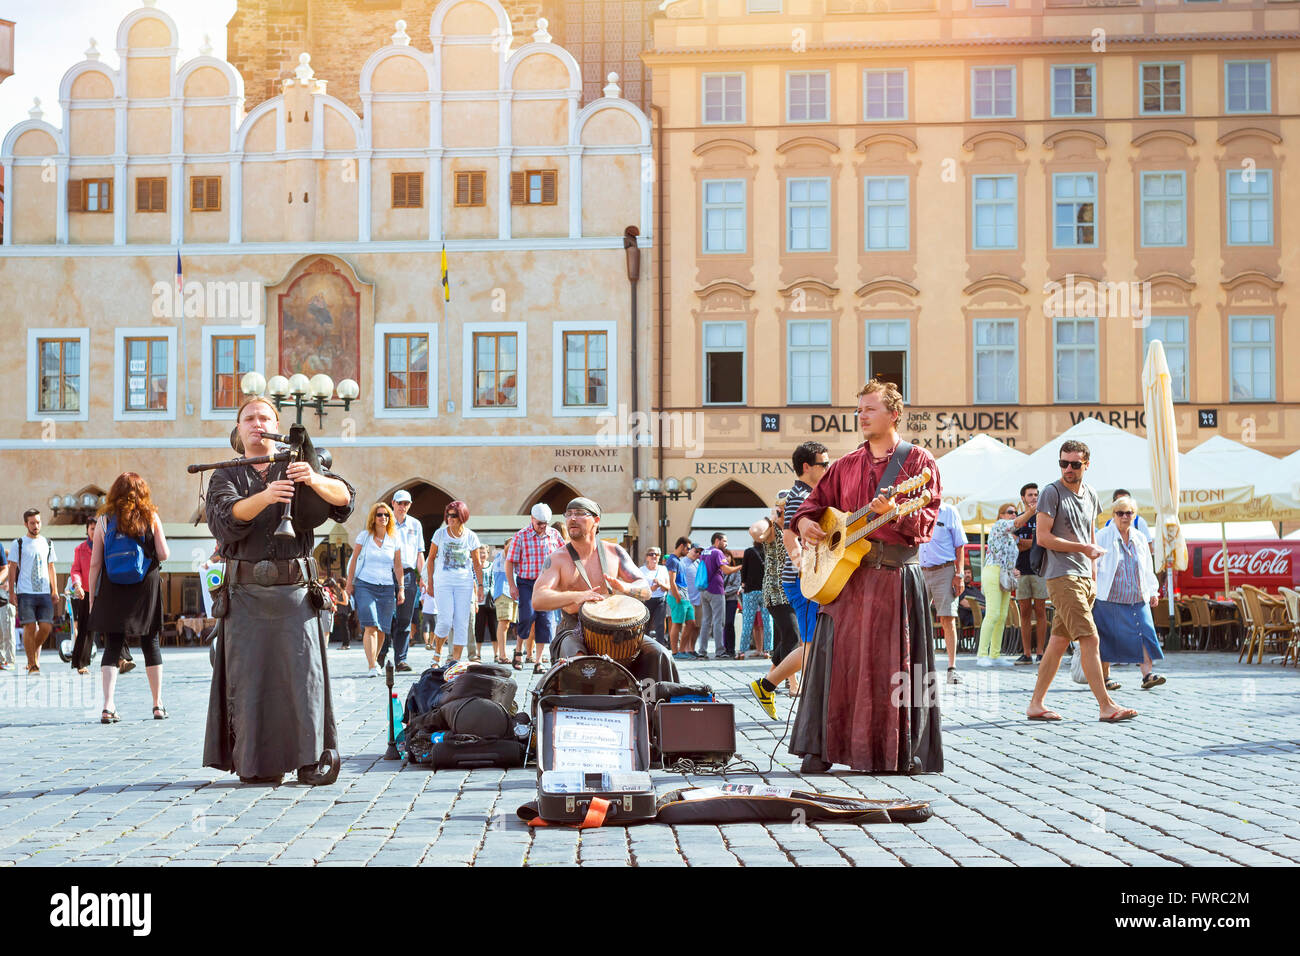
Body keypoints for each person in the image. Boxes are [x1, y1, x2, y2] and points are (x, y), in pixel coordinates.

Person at [789, 380, 944, 774]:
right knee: (835, 662)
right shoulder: (844, 465)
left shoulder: (919, 463)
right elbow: (811, 505)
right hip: (847, 580)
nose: (861, 415)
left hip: (893, 576)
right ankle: (822, 748)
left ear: (894, 414)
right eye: (859, 409)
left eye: (869, 409)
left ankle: (891, 751)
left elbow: (926, 522)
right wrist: (806, 523)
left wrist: (898, 511)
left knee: (892, 667)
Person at [205, 398, 355, 784]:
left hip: (295, 595)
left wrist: (313, 479)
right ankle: (256, 764)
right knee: (250, 682)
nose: (257, 423)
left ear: (276, 423)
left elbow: (345, 499)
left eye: (264, 417)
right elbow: (225, 519)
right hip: (246, 596)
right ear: (238, 429)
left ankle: (309, 761)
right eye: (249, 418)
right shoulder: (225, 476)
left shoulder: (297, 462)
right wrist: (268, 496)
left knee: (302, 681)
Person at [1026, 440, 1138, 723]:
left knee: (1058, 642)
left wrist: (1093, 574)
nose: (1068, 469)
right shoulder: (1051, 493)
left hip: (1084, 577)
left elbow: (1090, 535)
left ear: (1087, 464)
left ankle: (1036, 704)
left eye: (1075, 464)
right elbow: (1043, 537)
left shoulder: (1091, 494)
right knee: (1090, 638)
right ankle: (1106, 705)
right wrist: (1083, 551)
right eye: (1064, 463)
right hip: (1061, 576)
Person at [530, 497, 679, 685]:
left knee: (660, 654)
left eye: (579, 514)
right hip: (574, 628)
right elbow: (538, 598)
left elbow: (645, 590)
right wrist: (579, 596)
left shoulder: (614, 552)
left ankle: (657, 708)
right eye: (569, 514)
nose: (572, 519)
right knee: (577, 657)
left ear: (596, 520)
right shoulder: (558, 558)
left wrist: (624, 587)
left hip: (619, 630)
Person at [749, 442, 830, 718]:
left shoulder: (807, 492)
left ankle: (771, 686)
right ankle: (774, 688)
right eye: (824, 464)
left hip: (803, 580)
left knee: (812, 643)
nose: (828, 468)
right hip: (801, 582)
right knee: (809, 644)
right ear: (807, 467)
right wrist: (806, 571)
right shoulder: (800, 495)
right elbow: (788, 536)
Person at [88, 472, 170, 723]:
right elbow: (164, 554)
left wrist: (93, 598)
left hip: (114, 586)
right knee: (150, 643)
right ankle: (157, 705)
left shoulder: (103, 520)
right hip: (145, 584)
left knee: (113, 645)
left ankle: (108, 706)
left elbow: (95, 564)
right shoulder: (150, 516)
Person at [1095, 496, 1166, 691]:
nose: (1125, 517)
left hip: (1137, 596)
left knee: (1144, 634)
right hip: (1109, 598)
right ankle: (1106, 677)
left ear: (1134, 515)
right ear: (1113, 515)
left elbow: (1147, 566)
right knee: (1107, 638)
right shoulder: (1102, 536)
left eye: (1129, 513)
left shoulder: (1140, 537)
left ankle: (1147, 675)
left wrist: (1153, 590)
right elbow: (1094, 566)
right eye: (1120, 513)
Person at [505, 504, 565, 674]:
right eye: (539, 523)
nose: (543, 526)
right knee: (527, 617)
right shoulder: (521, 536)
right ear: (532, 519)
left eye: (545, 523)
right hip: (526, 583)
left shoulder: (554, 535)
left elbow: (565, 554)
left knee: (545, 622)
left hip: (546, 584)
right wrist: (511, 585)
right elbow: (509, 561)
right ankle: (518, 651)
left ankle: (538, 661)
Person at [346, 502, 404, 677]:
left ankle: (375, 659)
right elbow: (354, 560)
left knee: (382, 629)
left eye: (386, 515)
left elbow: (398, 566)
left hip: (386, 587)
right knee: (370, 625)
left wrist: (400, 588)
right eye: (379, 514)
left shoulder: (394, 539)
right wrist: (350, 583)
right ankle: (372, 665)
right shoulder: (364, 536)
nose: (383, 518)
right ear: (374, 517)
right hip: (365, 584)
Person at [977, 503, 1034, 667]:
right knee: (993, 614)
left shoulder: (1010, 536)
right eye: (1010, 512)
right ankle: (982, 654)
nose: (1013, 514)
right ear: (1001, 515)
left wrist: (1014, 569)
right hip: (993, 571)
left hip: (1005, 574)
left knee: (1002, 616)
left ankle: (994, 654)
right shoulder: (999, 525)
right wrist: (1030, 512)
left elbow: (1012, 553)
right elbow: (1016, 524)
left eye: (1015, 512)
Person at [919, 499, 967, 684]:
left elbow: (959, 545)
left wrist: (959, 575)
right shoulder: (915, 509)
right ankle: (920, 667)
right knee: (916, 619)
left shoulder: (949, 511)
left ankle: (951, 668)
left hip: (944, 570)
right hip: (921, 571)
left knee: (948, 618)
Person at [429, 500, 483, 663]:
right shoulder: (440, 534)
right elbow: (430, 559)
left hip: (464, 584)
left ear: (462, 517)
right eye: (448, 515)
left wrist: (480, 586)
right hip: (443, 583)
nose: (449, 518)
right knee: (445, 620)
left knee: (461, 622)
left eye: (453, 515)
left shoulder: (471, 536)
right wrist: (430, 583)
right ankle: (437, 654)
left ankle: (455, 661)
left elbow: (477, 563)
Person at [8, 508, 59, 673]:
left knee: (46, 627)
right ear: (25, 524)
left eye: (38, 522)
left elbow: (51, 567)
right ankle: (32, 663)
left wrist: (55, 590)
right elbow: (12, 568)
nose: (36, 525)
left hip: (44, 592)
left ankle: (31, 653)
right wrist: (11, 592)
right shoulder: (18, 543)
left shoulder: (48, 543)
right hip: (25, 593)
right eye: (32, 523)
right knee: (29, 627)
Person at [378, 489, 424, 673]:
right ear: (393, 503)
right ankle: (381, 654)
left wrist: (424, 579)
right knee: (386, 617)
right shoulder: (384, 522)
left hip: (408, 574)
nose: (403, 507)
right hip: (387, 573)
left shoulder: (416, 524)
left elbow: (420, 552)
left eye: (407, 503)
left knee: (405, 619)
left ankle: (401, 660)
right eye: (400, 503)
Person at [758, 496, 798, 674]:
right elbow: (755, 531)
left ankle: (771, 677)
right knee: (792, 635)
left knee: (791, 636)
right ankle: (789, 682)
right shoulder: (772, 527)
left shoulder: (796, 528)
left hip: (795, 590)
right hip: (776, 591)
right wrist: (772, 518)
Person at [1013, 482, 1048, 665]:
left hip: (1040, 569)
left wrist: (1027, 542)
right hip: (1022, 570)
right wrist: (1031, 542)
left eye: (1036, 494)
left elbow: (1041, 542)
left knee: (1041, 610)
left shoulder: (1043, 517)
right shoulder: (1019, 518)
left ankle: (1041, 652)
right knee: (1025, 612)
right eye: (1030, 495)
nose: (1033, 498)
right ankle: (1027, 653)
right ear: (1023, 498)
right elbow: (1016, 543)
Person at [696, 532, 741, 659]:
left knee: (706, 622)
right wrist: (740, 566)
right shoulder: (717, 552)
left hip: (703, 589)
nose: (726, 544)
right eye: (724, 541)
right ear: (717, 540)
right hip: (715, 590)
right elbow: (726, 570)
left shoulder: (704, 552)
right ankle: (720, 651)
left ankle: (702, 651)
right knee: (718, 621)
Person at [738, 532, 772, 659]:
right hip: (766, 590)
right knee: (767, 622)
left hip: (750, 590)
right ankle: (767, 650)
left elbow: (744, 570)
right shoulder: (769, 551)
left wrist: (744, 584)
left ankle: (742, 651)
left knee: (748, 621)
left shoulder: (748, 552)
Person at [664, 537, 694, 658]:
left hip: (685, 596)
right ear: (681, 546)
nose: (689, 550)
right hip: (678, 596)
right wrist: (677, 597)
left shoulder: (678, 560)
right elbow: (672, 581)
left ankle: (682, 650)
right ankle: (675, 652)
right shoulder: (672, 560)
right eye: (688, 548)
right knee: (677, 624)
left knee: (691, 623)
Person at [489, 545, 517, 666]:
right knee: (504, 623)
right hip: (503, 592)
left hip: (513, 593)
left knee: (508, 624)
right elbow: (509, 546)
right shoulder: (502, 555)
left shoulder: (514, 557)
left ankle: (506, 654)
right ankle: (502, 655)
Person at [638, 547, 670, 648]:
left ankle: (660, 647)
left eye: (656, 554)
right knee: (645, 625)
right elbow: (639, 589)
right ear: (647, 557)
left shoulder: (663, 569)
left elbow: (668, 587)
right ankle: (645, 647)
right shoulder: (641, 570)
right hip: (647, 600)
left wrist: (660, 584)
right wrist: (651, 588)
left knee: (660, 624)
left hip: (660, 600)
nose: (654, 556)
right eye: (651, 554)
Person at [680, 544, 703, 654]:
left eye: (700, 552)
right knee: (689, 625)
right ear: (689, 550)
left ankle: (692, 648)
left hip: (699, 598)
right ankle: (683, 649)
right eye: (696, 551)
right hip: (687, 599)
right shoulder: (682, 563)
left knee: (697, 626)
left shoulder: (699, 563)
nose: (698, 554)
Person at [0, 540, 13, 670]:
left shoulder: (11, 571)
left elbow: (8, 587)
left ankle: (8, 660)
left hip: (7, 602)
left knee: (7, 631)